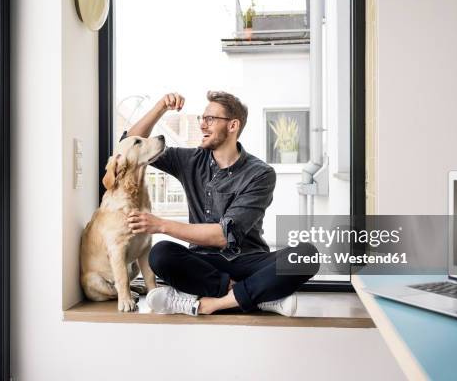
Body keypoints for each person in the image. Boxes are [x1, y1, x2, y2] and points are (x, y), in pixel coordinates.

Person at [123, 91, 318, 316]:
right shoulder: (190, 160)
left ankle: (209, 304)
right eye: (202, 119)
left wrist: (160, 225)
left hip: (248, 261)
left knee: (307, 254)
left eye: (210, 119)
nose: (202, 125)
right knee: (160, 254)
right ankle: (257, 298)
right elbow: (129, 144)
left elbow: (223, 236)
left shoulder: (260, 174)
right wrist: (160, 107)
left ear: (233, 125)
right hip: (202, 265)